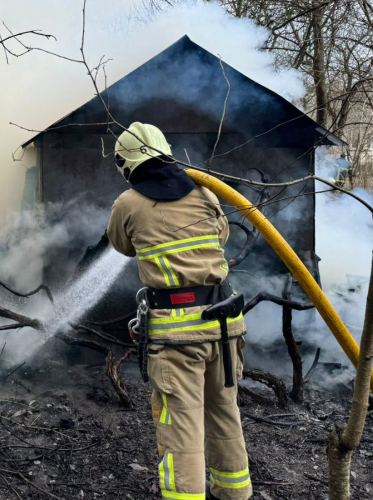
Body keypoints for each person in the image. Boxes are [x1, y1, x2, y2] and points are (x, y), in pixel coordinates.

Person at [106, 122, 252, 500]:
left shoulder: (128, 203)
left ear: (126, 163)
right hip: (225, 326)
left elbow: (122, 245)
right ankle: (234, 494)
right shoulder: (206, 191)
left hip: (177, 336)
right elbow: (221, 237)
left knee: (181, 429)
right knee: (224, 415)